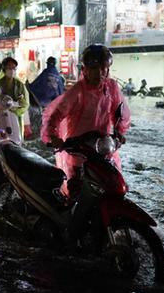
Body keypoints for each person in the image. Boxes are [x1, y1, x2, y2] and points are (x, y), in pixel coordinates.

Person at [41, 44, 131, 200]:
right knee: (75, 194)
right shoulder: (78, 92)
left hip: (102, 149)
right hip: (78, 150)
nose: (100, 73)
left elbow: (120, 113)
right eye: (95, 68)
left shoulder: (111, 88)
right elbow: (55, 116)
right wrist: (54, 137)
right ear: (85, 70)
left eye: (104, 68)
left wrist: (119, 132)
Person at [0, 57, 30, 140]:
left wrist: (15, 109)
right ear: (4, 69)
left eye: (14, 68)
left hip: (15, 118)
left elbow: (25, 104)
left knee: (16, 141)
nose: (12, 70)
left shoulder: (19, 85)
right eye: (9, 68)